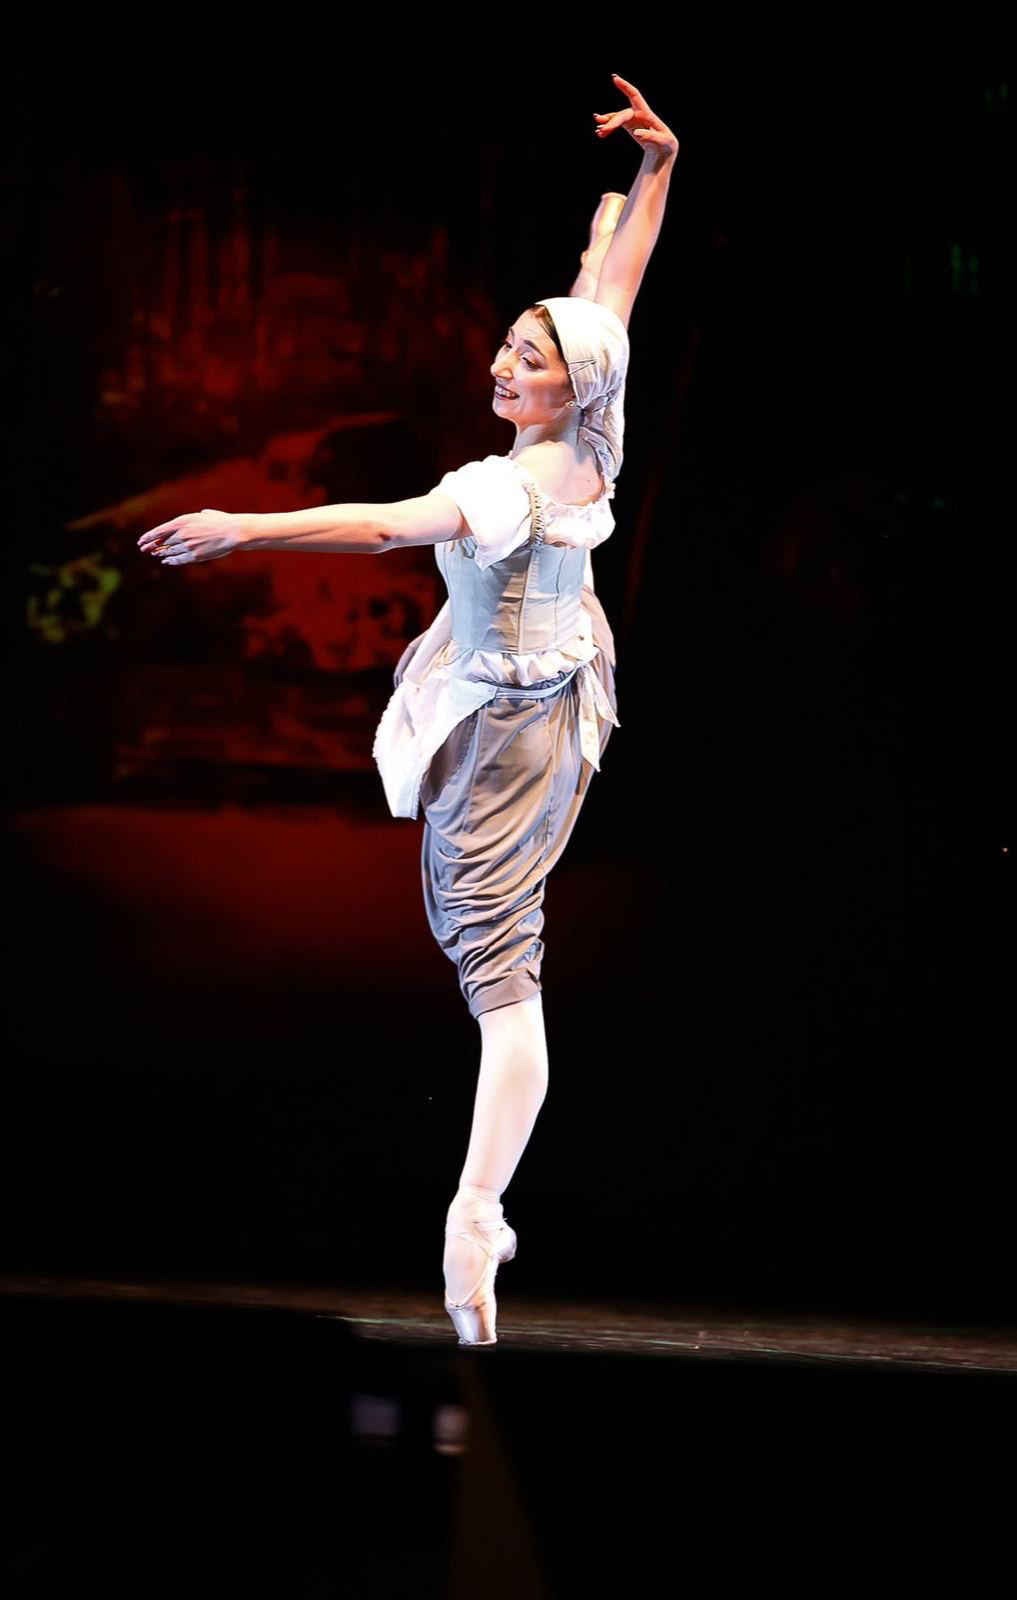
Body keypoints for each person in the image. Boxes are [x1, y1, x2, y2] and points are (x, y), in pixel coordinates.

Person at [136, 73, 679, 1346]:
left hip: (511, 729)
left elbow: (387, 526)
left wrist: (241, 527)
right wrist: (656, 170)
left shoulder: (509, 487)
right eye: (508, 345)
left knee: (495, 967)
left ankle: (474, 1214)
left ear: (565, 388)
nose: (501, 363)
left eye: (525, 360)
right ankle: (480, 1205)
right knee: (488, 941)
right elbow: (614, 291)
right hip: (559, 688)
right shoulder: (597, 420)